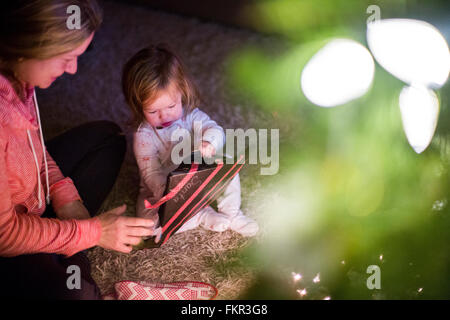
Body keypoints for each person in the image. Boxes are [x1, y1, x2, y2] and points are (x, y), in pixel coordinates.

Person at [0, 0, 154, 299]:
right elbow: (5, 236)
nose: (73, 70)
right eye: (67, 57)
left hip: (32, 200)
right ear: (30, 44)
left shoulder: (19, 76)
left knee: (107, 138)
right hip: (7, 239)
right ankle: (68, 258)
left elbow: (33, 149)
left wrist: (66, 197)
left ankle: (63, 245)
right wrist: (94, 232)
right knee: (73, 292)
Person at [122, 44, 259, 237]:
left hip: (198, 175)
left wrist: (208, 143)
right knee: (149, 229)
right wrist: (170, 193)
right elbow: (150, 172)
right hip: (164, 190)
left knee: (226, 165)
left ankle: (232, 214)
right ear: (137, 106)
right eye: (153, 111)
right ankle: (201, 215)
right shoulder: (143, 134)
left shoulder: (190, 116)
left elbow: (216, 130)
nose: (164, 115)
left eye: (171, 105)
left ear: (182, 91)